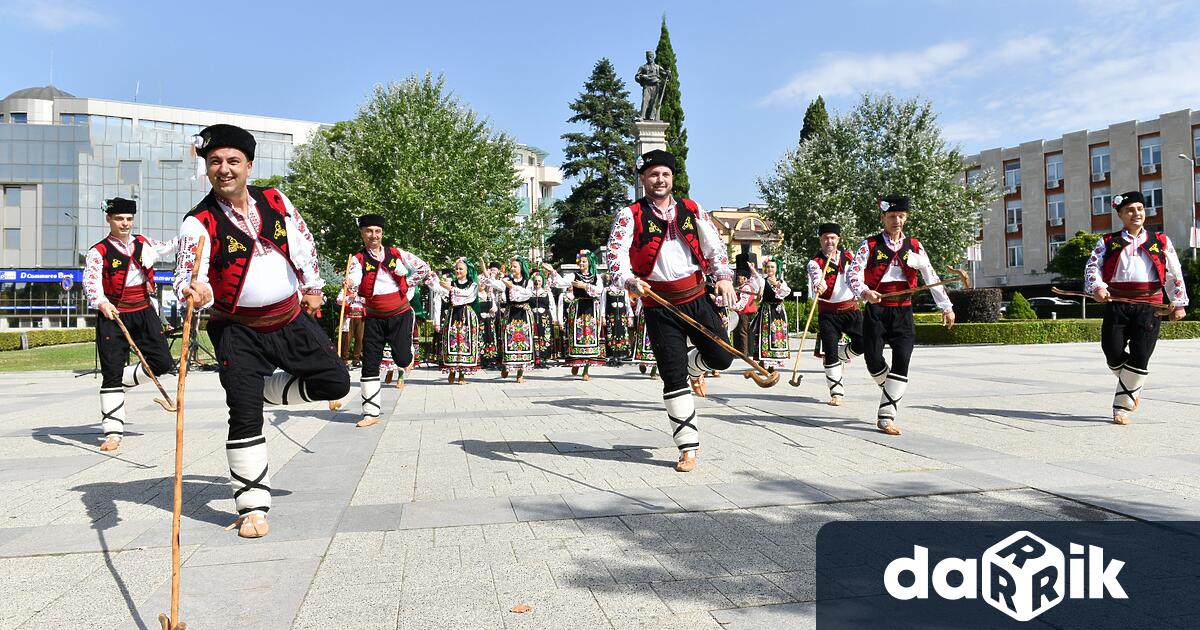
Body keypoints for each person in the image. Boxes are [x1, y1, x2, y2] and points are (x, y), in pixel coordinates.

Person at [175, 123, 350, 538]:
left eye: (233, 161)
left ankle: (265, 389)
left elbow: (302, 242)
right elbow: (186, 273)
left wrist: (312, 287)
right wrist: (194, 289)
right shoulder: (198, 222)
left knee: (336, 382)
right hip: (237, 329)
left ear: (249, 165)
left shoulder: (275, 200)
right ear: (207, 167)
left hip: (290, 318)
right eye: (215, 161)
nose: (224, 169)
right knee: (244, 414)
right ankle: (252, 506)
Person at [605, 149, 735, 472]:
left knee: (722, 357)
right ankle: (688, 447)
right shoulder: (629, 215)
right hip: (658, 304)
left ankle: (696, 366)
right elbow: (614, 254)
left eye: (665, 174)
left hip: (696, 296)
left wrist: (723, 278)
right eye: (653, 175)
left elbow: (715, 246)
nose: (659, 179)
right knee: (672, 376)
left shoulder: (691, 209)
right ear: (643, 179)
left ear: (672, 177)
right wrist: (629, 280)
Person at [847, 195, 955, 436]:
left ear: (906, 218)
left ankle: (886, 416)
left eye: (901, 216)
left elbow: (931, 276)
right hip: (877, 309)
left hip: (904, 311)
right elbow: (852, 274)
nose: (897, 220)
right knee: (873, 360)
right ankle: (893, 390)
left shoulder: (915, 246)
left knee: (902, 361)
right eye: (892, 216)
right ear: (883, 218)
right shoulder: (870, 245)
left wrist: (946, 306)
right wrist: (865, 292)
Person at [1084, 191, 1188, 424]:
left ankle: (1122, 408)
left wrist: (1178, 303)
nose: (1136, 214)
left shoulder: (1160, 240)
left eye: (1140, 209)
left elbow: (1174, 273)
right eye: (1130, 210)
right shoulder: (1108, 241)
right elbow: (1092, 267)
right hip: (1117, 303)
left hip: (1150, 305)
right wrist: (1098, 288)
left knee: (1141, 355)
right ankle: (1132, 385)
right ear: (1120, 214)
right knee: (1111, 351)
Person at [84, 197, 178, 452]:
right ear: (109, 220)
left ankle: (118, 382)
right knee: (111, 371)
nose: (124, 223)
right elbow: (91, 283)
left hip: (144, 311)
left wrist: (195, 232)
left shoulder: (144, 243)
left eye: (128, 219)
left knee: (162, 363)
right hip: (113, 314)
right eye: (118, 219)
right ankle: (113, 432)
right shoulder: (99, 251)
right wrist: (102, 303)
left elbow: (171, 246)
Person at [344, 214, 432, 427]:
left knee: (402, 359)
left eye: (377, 231)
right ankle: (370, 413)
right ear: (362, 233)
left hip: (400, 314)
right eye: (369, 231)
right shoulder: (357, 259)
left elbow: (424, 268)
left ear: (382, 233)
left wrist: (407, 283)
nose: (373, 235)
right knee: (370, 364)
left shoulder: (396, 253)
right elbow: (354, 279)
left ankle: (407, 354)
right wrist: (351, 284)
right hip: (374, 317)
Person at [808, 223, 864, 406]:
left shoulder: (849, 257)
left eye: (832, 238)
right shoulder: (815, 263)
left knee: (865, 342)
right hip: (828, 313)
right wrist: (819, 285)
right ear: (820, 240)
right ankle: (836, 392)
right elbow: (817, 278)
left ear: (838, 239)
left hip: (851, 309)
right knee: (830, 353)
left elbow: (859, 276)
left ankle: (843, 354)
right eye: (825, 238)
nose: (829, 241)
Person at [547, 251, 606, 380]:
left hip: (591, 308)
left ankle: (586, 369)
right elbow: (561, 283)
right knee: (577, 334)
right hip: (578, 307)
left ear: (590, 263)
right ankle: (575, 361)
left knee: (590, 337)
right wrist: (552, 272)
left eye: (584, 261)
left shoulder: (596, 277)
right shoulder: (575, 275)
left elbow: (599, 290)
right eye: (580, 261)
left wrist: (585, 286)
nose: (581, 264)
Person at [486, 256, 536, 383]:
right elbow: (496, 284)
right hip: (511, 313)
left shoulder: (528, 281)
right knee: (509, 340)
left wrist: (513, 286)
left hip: (524, 313)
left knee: (524, 342)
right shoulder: (506, 280)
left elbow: (527, 294)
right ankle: (507, 366)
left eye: (515, 266)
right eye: (511, 266)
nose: (512, 268)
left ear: (521, 268)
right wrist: (489, 276)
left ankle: (520, 373)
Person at [433, 257, 482, 384]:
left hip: (466, 315)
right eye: (457, 268)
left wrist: (451, 288)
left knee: (465, 342)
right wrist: (433, 279)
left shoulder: (473, 285)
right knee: (452, 341)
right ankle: (452, 371)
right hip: (453, 314)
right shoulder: (451, 283)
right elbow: (440, 290)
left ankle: (461, 375)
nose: (458, 271)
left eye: (461, 269)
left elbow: (466, 295)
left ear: (467, 271)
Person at [749, 256, 791, 370]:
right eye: (768, 267)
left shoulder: (782, 282)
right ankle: (763, 361)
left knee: (778, 335)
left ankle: (775, 360)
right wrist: (753, 270)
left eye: (772, 267)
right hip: (767, 311)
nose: (770, 269)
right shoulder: (763, 281)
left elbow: (786, 292)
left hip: (778, 311)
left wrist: (777, 285)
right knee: (765, 335)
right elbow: (757, 281)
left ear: (777, 269)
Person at [530, 270, 558, 368]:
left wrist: (554, 318)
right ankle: (534, 357)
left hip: (544, 317)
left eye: (539, 281)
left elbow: (552, 306)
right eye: (536, 280)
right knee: (534, 336)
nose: (537, 282)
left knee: (545, 336)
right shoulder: (530, 293)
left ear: (542, 282)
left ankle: (544, 357)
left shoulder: (547, 292)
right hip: (533, 317)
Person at [603, 280, 633, 365]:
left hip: (622, 318)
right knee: (611, 334)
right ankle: (611, 356)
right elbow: (603, 303)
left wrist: (630, 316)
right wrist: (602, 316)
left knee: (622, 334)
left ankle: (621, 355)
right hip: (611, 317)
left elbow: (627, 304)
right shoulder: (607, 290)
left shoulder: (624, 291)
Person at [477, 263, 501, 369]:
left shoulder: (489, 294)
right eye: (480, 282)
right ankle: (480, 359)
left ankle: (491, 359)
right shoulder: (475, 295)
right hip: (479, 319)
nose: (482, 284)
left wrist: (494, 309)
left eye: (483, 283)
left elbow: (495, 306)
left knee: (490, 338)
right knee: (480, 338)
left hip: (489, 320)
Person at [337, 289, 365, 367]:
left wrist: (359, 297)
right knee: (347, 338)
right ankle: (344, 359)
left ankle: (356, 359)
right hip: (349, 316)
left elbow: (368, 300)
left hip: (360, 316)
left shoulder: (361, 290)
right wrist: (349, 297)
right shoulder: (345, 290)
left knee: (360, 338)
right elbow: (339, 300)